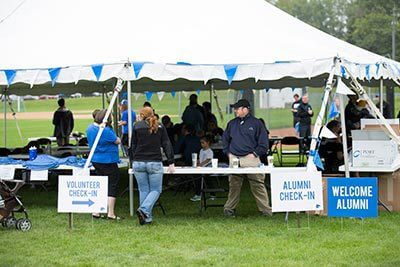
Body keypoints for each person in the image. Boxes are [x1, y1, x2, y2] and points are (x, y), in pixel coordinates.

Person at [222, 99, 271, 217]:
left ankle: (266, 211)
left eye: (237, 108)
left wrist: (254, 154)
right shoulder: (232, 123)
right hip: (234, 158)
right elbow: (225, 140)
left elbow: (264, 144)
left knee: (257, 184)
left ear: (245, 109)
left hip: (251, 158)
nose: (235, 111)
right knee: (234, 185)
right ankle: (229, 209)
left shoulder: (257, 123)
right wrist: (228, 154)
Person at [129, 107, 175, 225]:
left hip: (138, 161)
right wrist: (171, 161)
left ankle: (146, 218)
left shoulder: (137, 126)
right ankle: (144, 210)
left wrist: (132, 160)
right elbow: (166, 143)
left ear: (142, 115)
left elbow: (132, 145)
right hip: (154, 161)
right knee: (156, 190)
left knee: (143, 189)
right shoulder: (159, 127)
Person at [86, 109, 121, 220]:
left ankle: (96, 211)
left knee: (101, 184)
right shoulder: (105, 131)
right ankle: (110, 213)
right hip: (108, 160)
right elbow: (117, 140)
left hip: (96, 159)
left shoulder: (90, 128)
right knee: (112, 184)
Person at [190, 136, 214, 201]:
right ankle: (198, 194)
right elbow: (201, 159)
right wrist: (197, 162)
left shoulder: (209, 151)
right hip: (201, 168)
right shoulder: (201, 150)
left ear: (208, 143)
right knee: (197, 179)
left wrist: (200, 164)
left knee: (208, 182)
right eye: (201, 143)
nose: (201, 144)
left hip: (207, 169)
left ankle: (211, 195)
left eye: (203, 143)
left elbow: (208, 160)